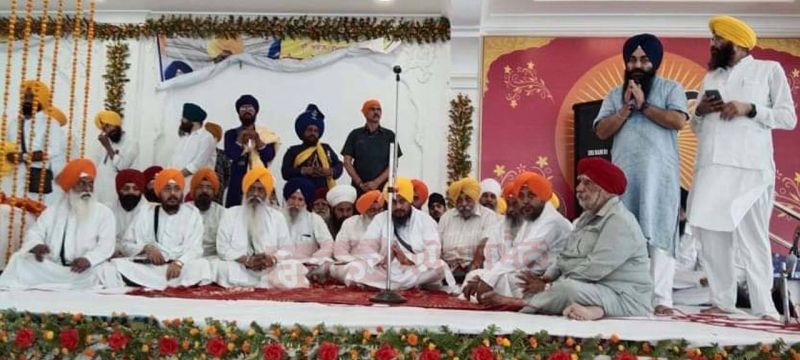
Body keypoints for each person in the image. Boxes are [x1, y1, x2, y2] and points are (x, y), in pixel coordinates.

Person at [688, 16, 796, 320]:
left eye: (717, 39)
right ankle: (723, 303)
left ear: (737, 43)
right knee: (711, 235)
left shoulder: (768, 70)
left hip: (750, 168)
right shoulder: (710, 79)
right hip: (711, 168)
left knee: (753, 237)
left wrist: (749, 109)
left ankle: (765, 309)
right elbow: (697, 128)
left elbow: (788, 118)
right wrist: (700, 111)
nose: (712, 44)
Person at [482, 158, 653, 320]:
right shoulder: (586, 218)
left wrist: (549, 287)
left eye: (587, 183)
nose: (579, 188)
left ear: (604, 188)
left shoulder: (619, 221)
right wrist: (546, 278)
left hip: (624, 295)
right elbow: (565, 255)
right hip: (593, 289)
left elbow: (594, 268)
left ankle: (519, 303)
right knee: (530, 282)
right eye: (580, 182)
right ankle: (596, 309)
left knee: (567, 288)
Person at [593, 34, 688, 315]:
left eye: (644, 59)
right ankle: (629, 296)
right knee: (625, 234)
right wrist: (626, 108)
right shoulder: (614, 94)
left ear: (655, 62)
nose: (637, 64)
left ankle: (661, 300)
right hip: (624, 179)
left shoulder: (671, 88)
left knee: (659, 231)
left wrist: (645, 105)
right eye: (632, 59)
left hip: (660, 178)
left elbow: (678, 121)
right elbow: (601, 131)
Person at [0, 159, 120, 290]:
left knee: (104, 271)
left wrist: (89, 259)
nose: (87, 189)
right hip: (53, 267)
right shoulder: (53, 210)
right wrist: (36, 245)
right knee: (21, 260)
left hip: (84, 271)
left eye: (90, 184)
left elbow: (106, 245)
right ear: (70, 186)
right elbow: (35, 232)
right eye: (81, 184)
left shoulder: (104, 213)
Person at [462, 172, 572, 300]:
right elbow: (514, 253)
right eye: (521, 196)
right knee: (476, 276)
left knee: (502, 280)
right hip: (528, 274)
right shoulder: (531, 218)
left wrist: (488, 280)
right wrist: (487, 277)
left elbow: (521, 255)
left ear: (543, 197)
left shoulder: (552, 221)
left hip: (550, 280)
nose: (525, 201)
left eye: (531, 195)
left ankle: (499, 298)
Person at [343, 177, 454, 290]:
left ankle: (384, 285)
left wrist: (407, 259)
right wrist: (383, 260)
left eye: (402, 201)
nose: (398, 207)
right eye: (394, 202)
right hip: (386, 269)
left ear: (410, 200)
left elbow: (433, 252)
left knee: (439, 266)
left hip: (415, 268)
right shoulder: (380, 219)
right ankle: (404, 285)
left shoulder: (425, 220)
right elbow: (365, 248)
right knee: (355, 267)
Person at [114, 168, 211, 290]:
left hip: (180, 267)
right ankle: (169, 284)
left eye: (176, 189)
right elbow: (126, 244)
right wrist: (146, 248)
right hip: (151, 267)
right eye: (167, 189)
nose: (172, 194)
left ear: (181, 192)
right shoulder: (145, 212)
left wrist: (179, 263)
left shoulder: (192, 214)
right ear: (159, 192)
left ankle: (153, 283)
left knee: (202, 266)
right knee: (117, 264)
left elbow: (196, 248)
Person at [214, 167, 310, 289]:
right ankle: (264, 283)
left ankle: (262, 281)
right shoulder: (230, 214)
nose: (255, 194)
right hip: (239, 265)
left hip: (269, 268)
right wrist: (247, 260)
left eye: (260, 190)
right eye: (252, 189)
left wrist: (272, 259)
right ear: (245, 191)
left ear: (267, 193)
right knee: (219, 266)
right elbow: (222, 248)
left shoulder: (277, 217)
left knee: (294, 265)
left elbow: (287, 249)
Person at [2, 80, 66, 205]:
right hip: (12, 180)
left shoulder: (50, 123)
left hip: (36, 179)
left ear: (41, 99)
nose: (27, 100)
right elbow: (7, 147)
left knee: (35, 213)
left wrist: (23, 157)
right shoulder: (13, 123)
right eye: (25, 96)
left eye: (31, 97)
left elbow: (53, 151)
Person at [438, 177, 500, 282]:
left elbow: (483, 248)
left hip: (474, 270)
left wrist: (470, 275)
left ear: (475, 198)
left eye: (468, 199)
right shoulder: (446, 217)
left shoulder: (488, 216)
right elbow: (437, 246)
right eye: (459, 200)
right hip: (446, 271)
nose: (463, 204)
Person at [224, 95, 279, 207]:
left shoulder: (265, 134)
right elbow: (231, 155)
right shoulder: (231, 134)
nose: (247, 111)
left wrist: (257, 140)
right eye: (243, 109)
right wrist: (240, 140)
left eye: (250, 108)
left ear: (256, 112)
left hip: (260, 183)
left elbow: (268, 156)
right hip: (237, 183)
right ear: (238, 113)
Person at [341, 99, 402, 196]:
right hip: (360, 189)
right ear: (365, 113)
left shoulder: (389, 135)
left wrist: (376, 182)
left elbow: (394, 164)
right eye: (372, 109)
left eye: (379, 109)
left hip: (383, 190)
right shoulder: (355, 134)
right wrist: (360, 183)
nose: (376, 112)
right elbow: (347, 162)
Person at [281, 104, 343, 194]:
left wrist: (330, 171)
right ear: (303, 131)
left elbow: (339, 165)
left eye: (315, 131)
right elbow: (285, 173)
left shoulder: (326, 148)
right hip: (301, 196)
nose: (312, 133)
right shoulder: (293, 151)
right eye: (309, 130)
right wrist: (304, 171)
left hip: (323, 197)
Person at [329, 190, 384, 283]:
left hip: (379, 265)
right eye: (372, 210)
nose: (377, 214)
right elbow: (340, 250)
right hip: (353, 264)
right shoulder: (350, 223)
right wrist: (357, 261)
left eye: (379, 210)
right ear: (364, 211)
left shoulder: (388, 223)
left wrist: (376, 262)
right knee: (336, 268)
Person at [281, 178, 334, 272]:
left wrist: (313, 260)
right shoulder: (277, 218)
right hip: (281, 265)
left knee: (327, 264)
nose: (295, 203)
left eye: (300, 200)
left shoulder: (314, 219)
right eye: (292, 198)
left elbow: (328, 244)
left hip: (307, 266)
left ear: (305, 203)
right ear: (287, 199)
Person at [169, 103, 216, 195]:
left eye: (184, 119)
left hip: (193, 186)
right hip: (175, 184)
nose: (181, 120)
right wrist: (168, 177)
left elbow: (197, 164)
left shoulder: (206, 137)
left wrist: (176, 176)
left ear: (193, 122)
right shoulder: (184, 137)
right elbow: (173, 159)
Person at [92, 110, 138, 208]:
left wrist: (108, 147)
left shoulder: (131, 142)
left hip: (115, 192)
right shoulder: (102, 142)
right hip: (98, 189)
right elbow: (94, 164)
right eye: (104, 128)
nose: (107, 131)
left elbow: (122, 167)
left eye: (108, 126)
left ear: (116, 123)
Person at [186, 168, 226, 257]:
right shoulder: (184, 211)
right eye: (200, 187)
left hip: (214, 259)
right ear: (193, 190)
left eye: (208, 187)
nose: (204, 190)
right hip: (186, 259)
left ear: (214, 191)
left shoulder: (222, 213)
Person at [112, 169, 149, 251]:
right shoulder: (109, 210)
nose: (131, 192)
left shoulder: (150, 212)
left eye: (135, 189)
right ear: (119, 190)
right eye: (126, 188)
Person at [204, 122, 230, 205]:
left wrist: (219, 186)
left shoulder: (223, 155)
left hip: (217, 195)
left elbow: (228, 176)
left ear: (216, 139)